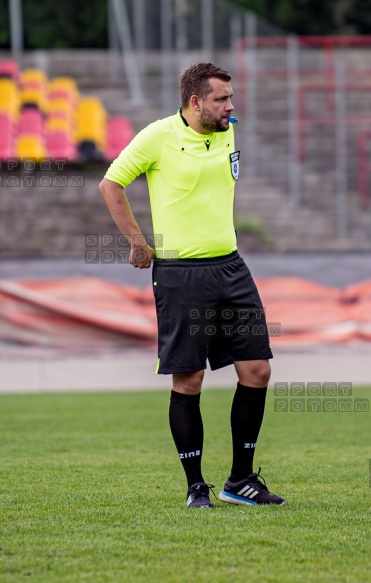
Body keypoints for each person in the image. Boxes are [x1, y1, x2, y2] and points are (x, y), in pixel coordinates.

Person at [99, 62, 285, 509]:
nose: (231, 106)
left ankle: (240, 481)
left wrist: (227, 114)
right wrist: (138, 244)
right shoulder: (157, 136)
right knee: (190, 379)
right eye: (222, 99)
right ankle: (195, 487)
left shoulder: (226, 129)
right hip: (181, 275)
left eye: (231, 97)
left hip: (232, 268)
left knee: (257, 371)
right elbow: (111, 185)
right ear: (195, 101)